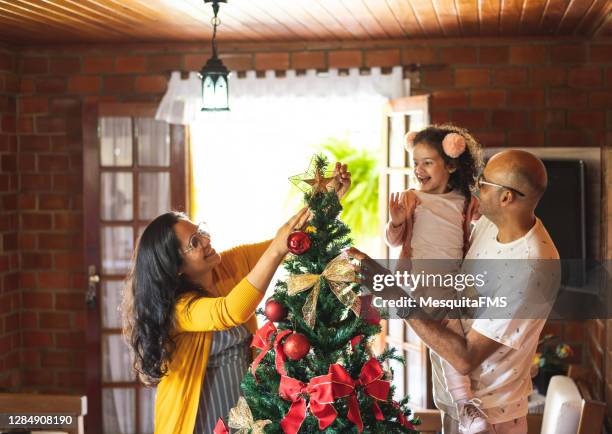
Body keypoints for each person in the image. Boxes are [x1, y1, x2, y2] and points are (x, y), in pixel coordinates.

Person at [122, 164, 351, 434]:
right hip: (199, 424)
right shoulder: (179, 308)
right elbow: (229, 311)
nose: (206, 240)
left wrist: (325, 204)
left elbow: (286, 243)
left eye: (201, 232)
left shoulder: (226, 266)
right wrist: (277, 249)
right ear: (176, 266)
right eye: (194, 243)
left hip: (243, 418)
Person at [350, 149, 560, 434]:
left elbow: (465, 357)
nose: (475, 188)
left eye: (483, 183)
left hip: (491, 417)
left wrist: (390, 290)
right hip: (458, 405)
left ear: (507, 197)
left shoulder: (531, 269)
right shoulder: (489, 223)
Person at [385, 124, 487, 433]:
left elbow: (475, 240)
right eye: (416, 162)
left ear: (452, 163)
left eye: (427, 162)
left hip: (456, 282)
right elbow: (394, 240)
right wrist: (396, 221)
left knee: (456, 338)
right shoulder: (412, 198)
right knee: (450, 337)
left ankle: (462, 403)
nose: (418, 169)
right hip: (424, 281)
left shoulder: (465, 202)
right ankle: (464, 404)